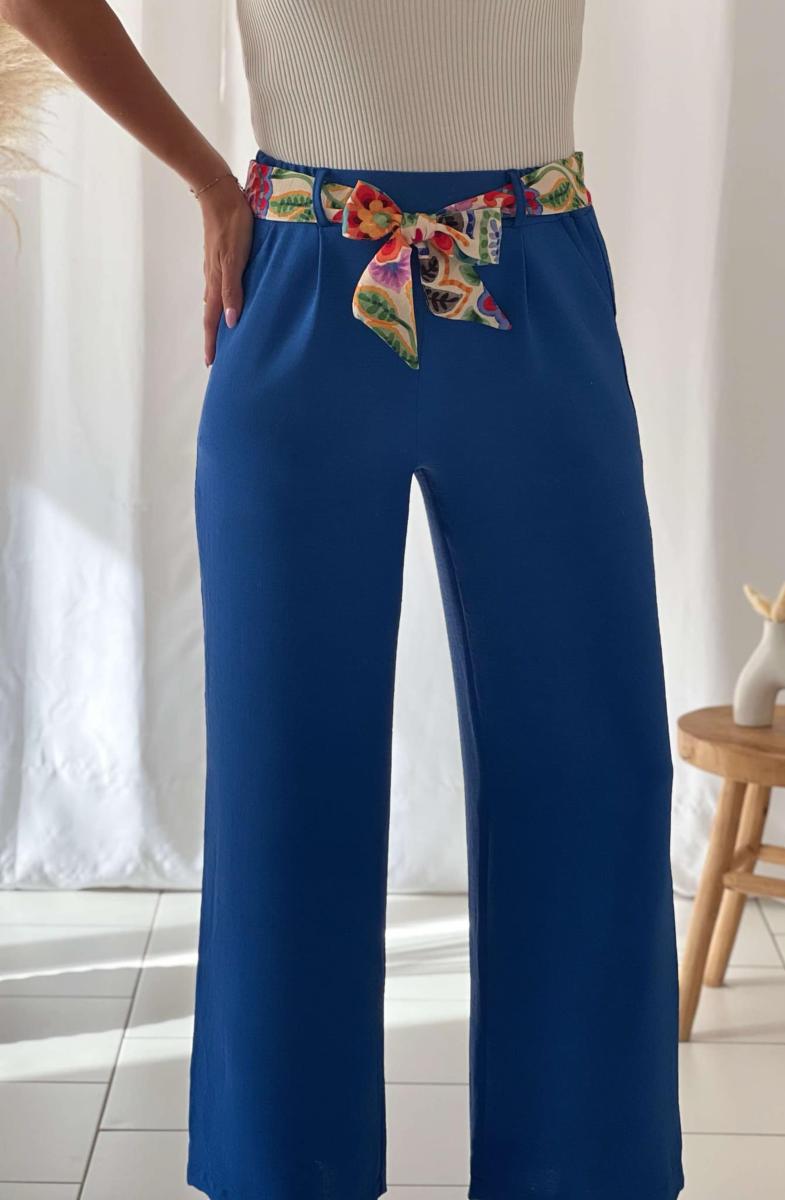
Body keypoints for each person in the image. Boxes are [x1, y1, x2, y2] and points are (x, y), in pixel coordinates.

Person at [1, 1, 684, 1197]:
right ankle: (286, 1175)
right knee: (286, 776)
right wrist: (209, 182)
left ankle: (583, 1175)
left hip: (530, 276)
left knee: (592, 767)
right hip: (306, 280)